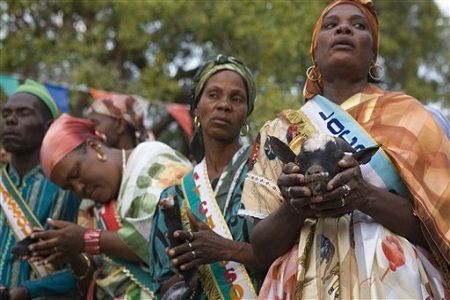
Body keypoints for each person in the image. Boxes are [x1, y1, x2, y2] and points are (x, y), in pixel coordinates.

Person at [240, 1, 450, 299]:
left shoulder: (412, 120)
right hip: (303, 283)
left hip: (396, 280)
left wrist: (364, 196)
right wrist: (295, 207)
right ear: (315, 51)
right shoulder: (280, 129)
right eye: (330, 25)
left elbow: (439, 232)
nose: (343, 28)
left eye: (359, 25)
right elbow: (262, 250)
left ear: (373, 54)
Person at [29, 113, 192, 299]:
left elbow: (167, 239)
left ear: (95, 146)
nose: (79, 188)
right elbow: (91, 281)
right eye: (69, 187)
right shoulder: (90, 209)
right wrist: (71, 252)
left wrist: (87, 240)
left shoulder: (153, 160)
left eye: (75, 173)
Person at [148, 54, 263, 299]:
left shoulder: (264, 174)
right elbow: (163, 282)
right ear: (196, 108)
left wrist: (226, 250)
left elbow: (287, 255)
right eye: (213, 95)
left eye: (236, 98)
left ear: (246, 112)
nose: (224, 105)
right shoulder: (173, 197)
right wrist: (183, 278)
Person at [0, 80, 80, 299]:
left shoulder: (72, 186)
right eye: (5, 114)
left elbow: (90, 265)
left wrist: (28, 291)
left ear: (48, 126)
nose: (10, 120)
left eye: (23, 113)